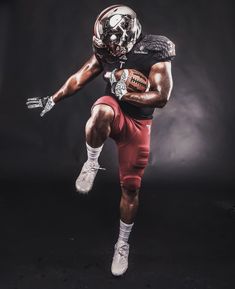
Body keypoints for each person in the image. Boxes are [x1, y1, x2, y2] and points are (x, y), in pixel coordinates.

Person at [26, 4, 175, 276]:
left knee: (131, 189)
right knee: (101, 110)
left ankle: (122, 244)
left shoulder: (155, 50)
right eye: (107, 42)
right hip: (114, 111)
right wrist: (53, 98)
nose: (110, 47)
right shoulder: (106, 49)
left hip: (139, 123)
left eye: (114, 41)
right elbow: (80, 77)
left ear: (127, 33)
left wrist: (126, 93)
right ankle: (91, 163)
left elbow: (162, 97)